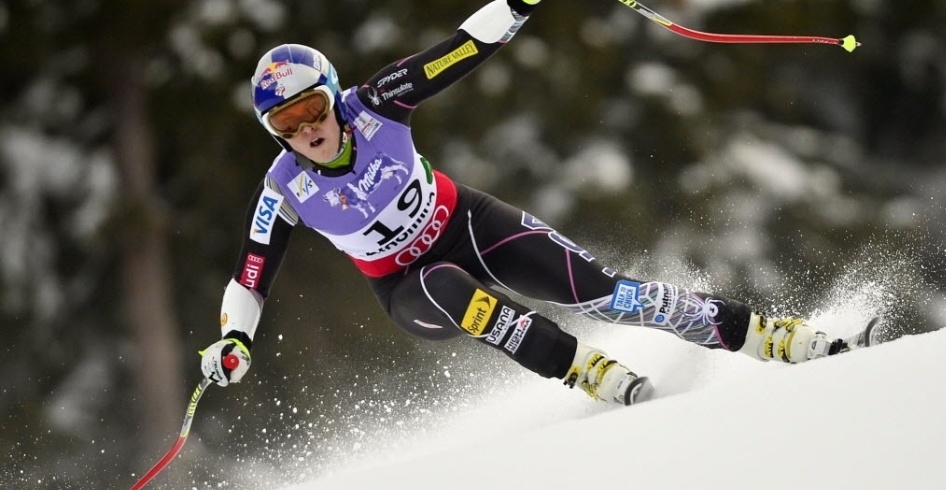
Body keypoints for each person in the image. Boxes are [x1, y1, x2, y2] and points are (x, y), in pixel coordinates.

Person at [200, 0, 856, 405]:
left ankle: (770, 337)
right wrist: (234, 340)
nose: (306, 130)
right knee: (453, 287)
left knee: (607, 293)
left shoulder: (375, 103)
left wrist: (517, 3)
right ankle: (580, 368)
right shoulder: (284, 188)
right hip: (409, 289)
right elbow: (250, 279)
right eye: (285, 125)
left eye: (311, 108)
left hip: (469, 222)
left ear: (332, 95)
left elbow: (460, 48)